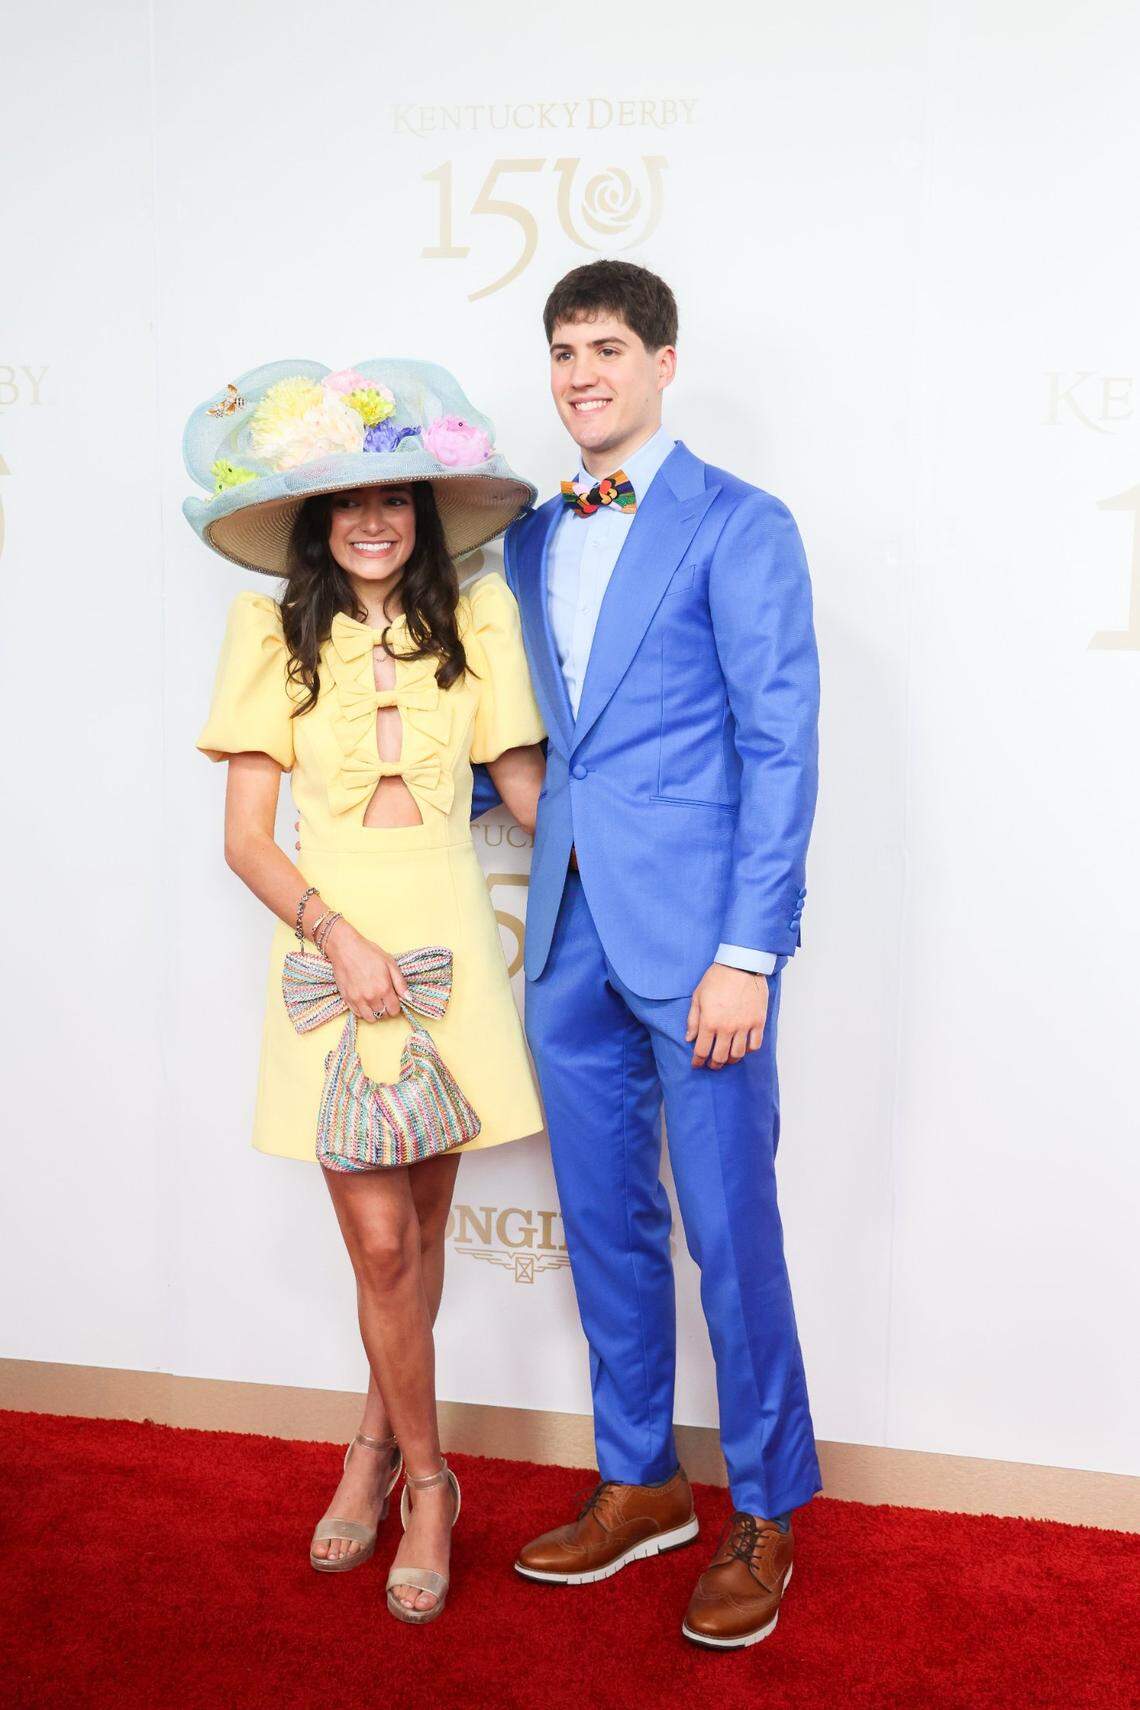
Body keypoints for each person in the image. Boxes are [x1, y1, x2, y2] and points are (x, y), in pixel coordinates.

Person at [186, 359, 546, 1625]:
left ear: (424, 511)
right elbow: (245, 837)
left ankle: (371, 1445)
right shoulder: (268, 635)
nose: (375, 519)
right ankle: (428, 1480)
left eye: (395, 496)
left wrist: (656, 884)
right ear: (315, 521)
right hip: (330, 938)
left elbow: (524, 792)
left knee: (425, 1238)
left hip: (448, 926)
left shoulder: (480, 621)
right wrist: (333, 935)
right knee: (380, 1240)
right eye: (347, 502)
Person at [503, 262, 822, 1649]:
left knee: (729, 1231)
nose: (584, 372)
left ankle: (764, 1509)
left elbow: (779, 745)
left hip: (702, 946)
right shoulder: (522, 538)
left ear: (665, 362)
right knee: (603, 1226)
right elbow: (532, 730)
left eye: (610, 347)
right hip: (564, 933)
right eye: (565, 349)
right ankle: (640, 1480)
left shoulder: (742, 525)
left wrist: (750, 949)